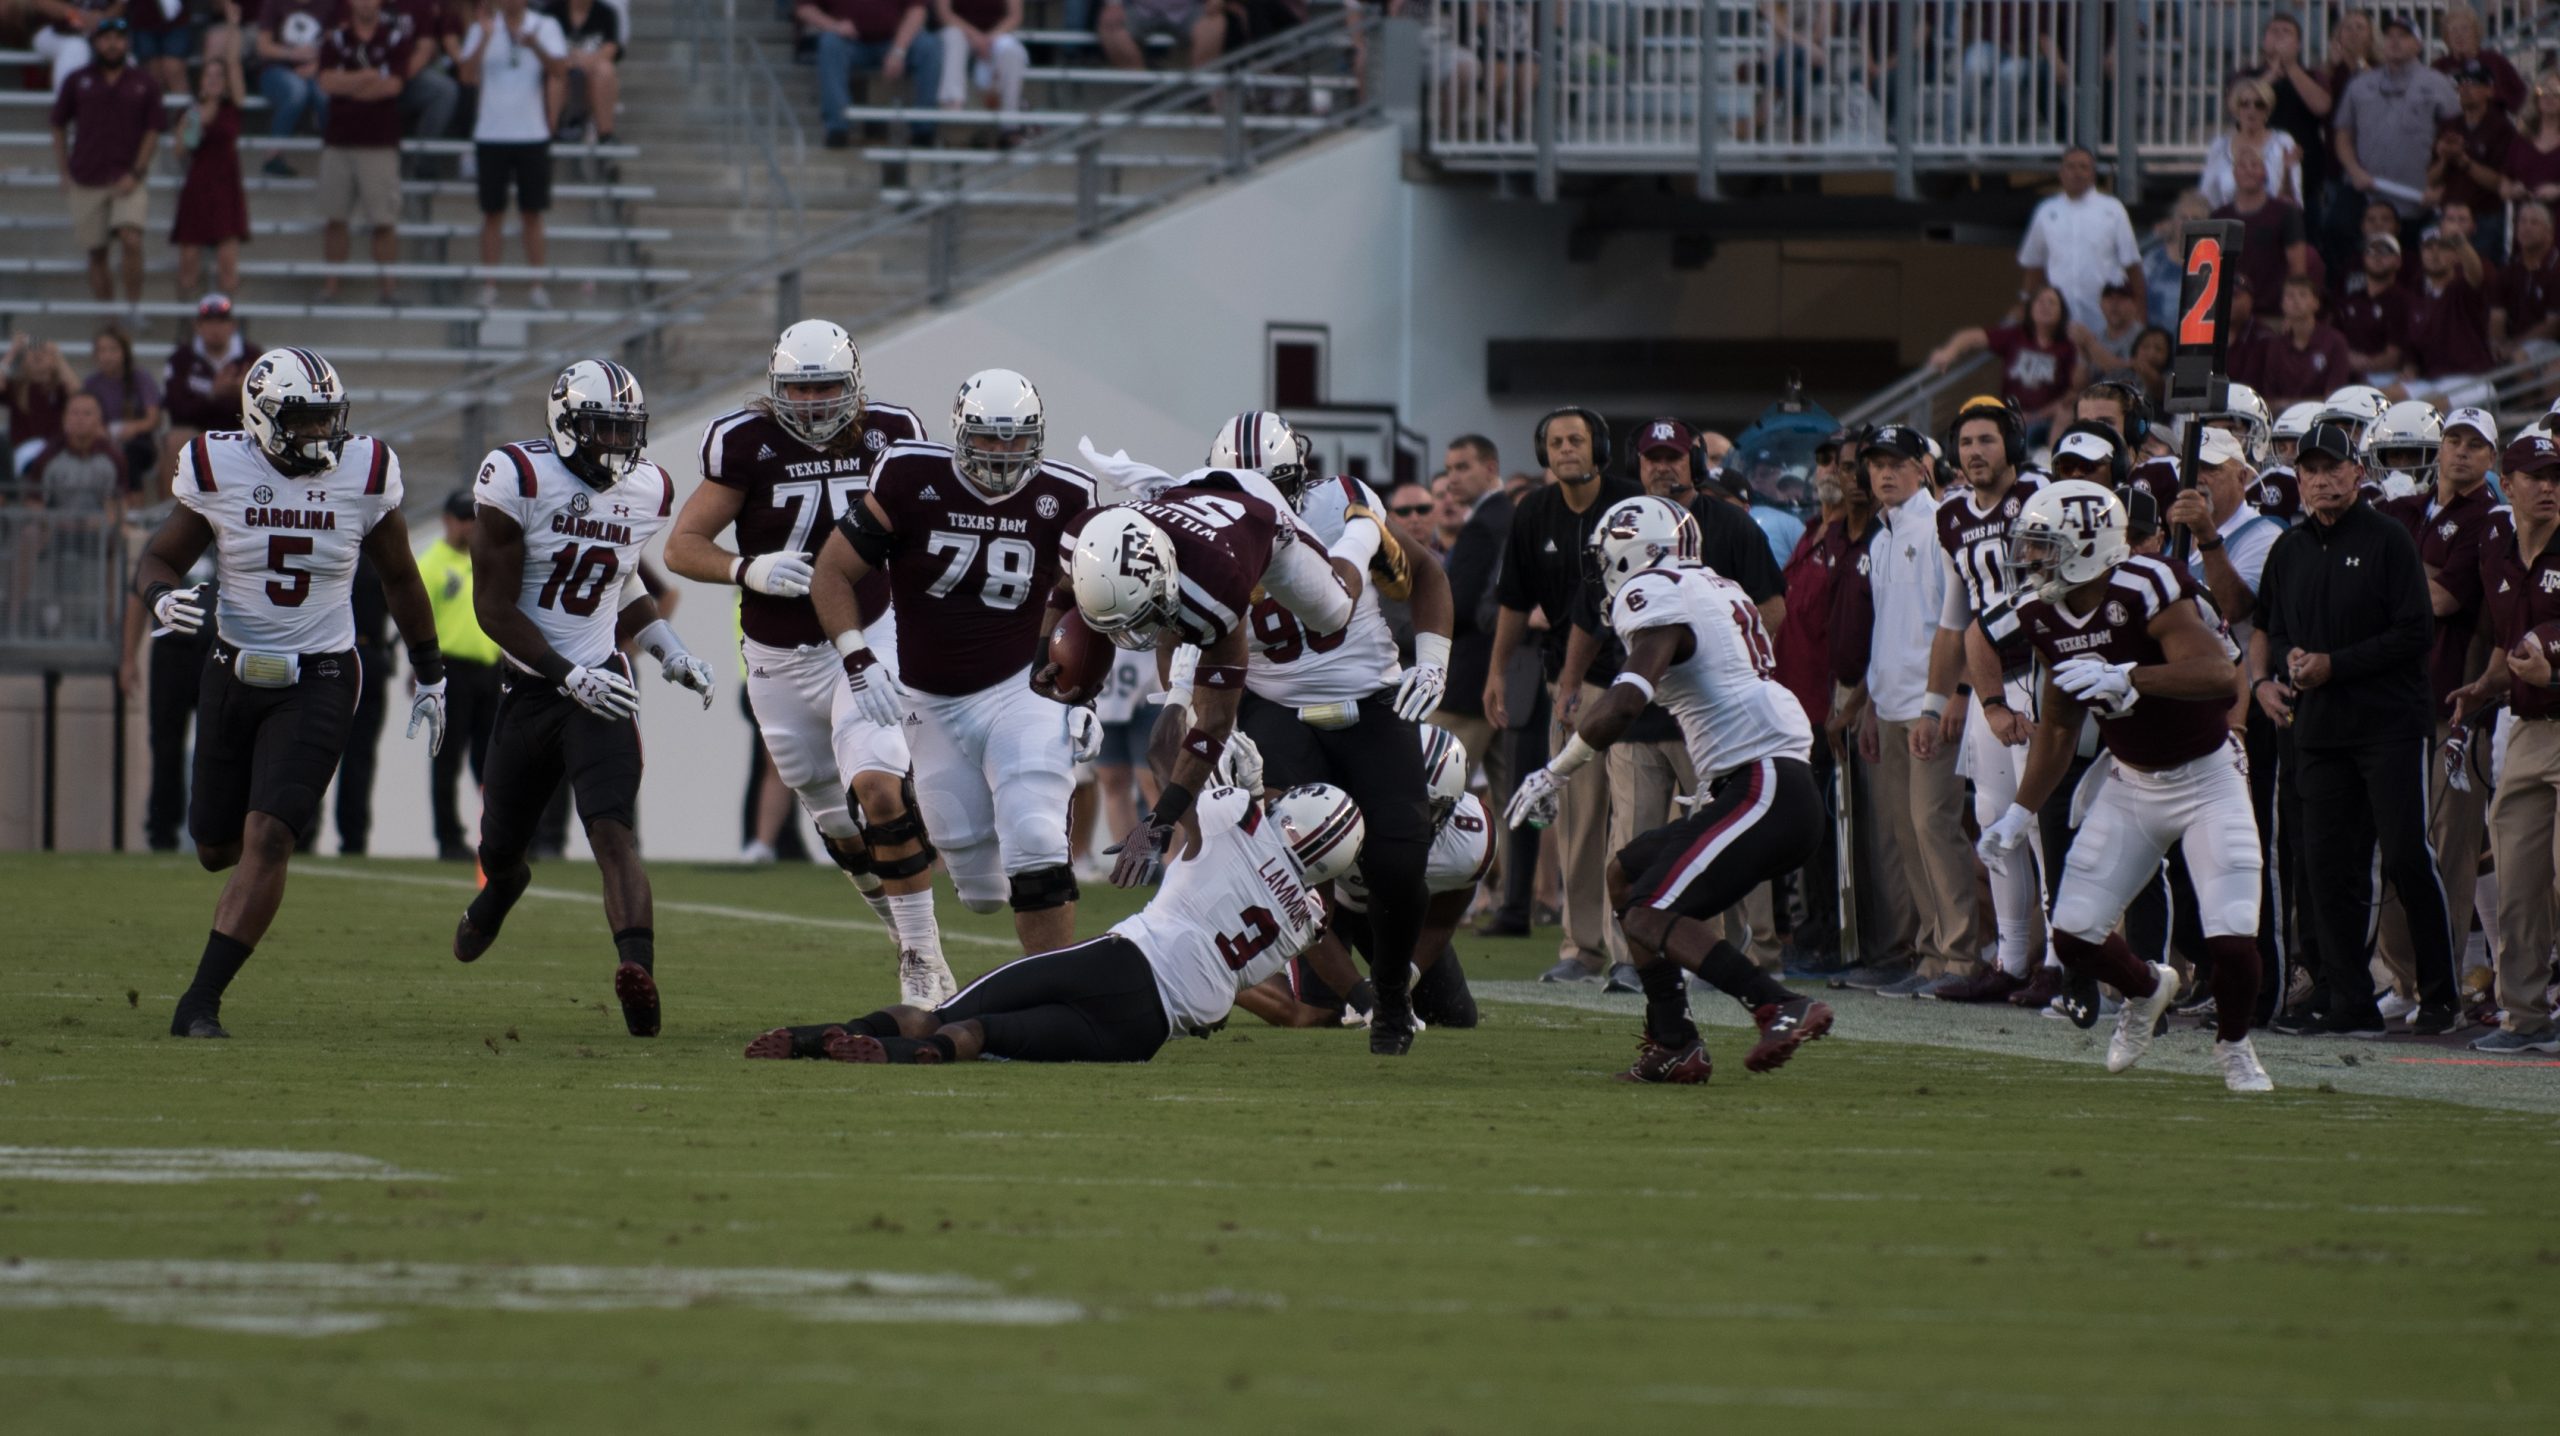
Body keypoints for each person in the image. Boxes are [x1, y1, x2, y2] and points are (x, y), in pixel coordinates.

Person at [129, 347, 447, 1038]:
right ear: (262, 418)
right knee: (216, 844)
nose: (321, 435)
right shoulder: (219, 465)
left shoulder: (364, 470)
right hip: (231, 666)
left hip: (323, 672)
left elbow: (399, 576)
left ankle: (200, 1002)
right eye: (304, 421)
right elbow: (158, 556)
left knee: (269, 836)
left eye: (328, 419)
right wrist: (160, 598)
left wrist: (431, 670)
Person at [1506, 497, 1831, 1084]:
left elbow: (1628, 700)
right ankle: (1675, 1042)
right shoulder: (1714, 584)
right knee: (1626, 877)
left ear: (1632, 549)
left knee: (1650, 911)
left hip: (1762, 781)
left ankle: (1776, 1003)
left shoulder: (1653, 590)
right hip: (1765, 781)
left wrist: (1558, 768)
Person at [668, 321, 948, 1001]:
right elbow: (682, 545)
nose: (816, 401)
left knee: (880, 790)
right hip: (775, 659)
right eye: (801, 387)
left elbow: (923, 526)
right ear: (776, 388)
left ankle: (921, 958)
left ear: (853, 385)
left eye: (827, 386)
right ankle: (908, 937)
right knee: (840, 828)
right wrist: (747, 568)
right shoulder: (746, 443)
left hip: (867, 634)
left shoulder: (891, 432)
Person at [453, 360, 717, 1039]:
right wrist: (565, 672)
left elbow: (620, 581)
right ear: (566, 424)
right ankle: (505, 888)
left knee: (612, 832)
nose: (614, 445)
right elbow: (492, 607)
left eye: (625, 431)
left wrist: (666, 648)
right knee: (501, 847)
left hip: (602, 689)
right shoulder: (517, 477)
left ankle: (639, 973)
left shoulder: (648, 487)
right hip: (533, 686)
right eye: (601, 428)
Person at [1983, 481, 2273, 1093]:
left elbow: (2219, 677)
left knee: (2232, 936)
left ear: (2086, 546)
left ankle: (2236, 1047)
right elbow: (2059, 726)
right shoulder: (2042, 611)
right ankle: (2147, 988)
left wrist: (2130, 677)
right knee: (2073, 936)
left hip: (2208, 775)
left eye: (2043, 546)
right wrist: (2018, 813)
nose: (2030, 560)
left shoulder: (2146, 584)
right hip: (2132, 781)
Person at [747, 782, 1363, 1065]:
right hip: (1145, 1033)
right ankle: (895, 1056)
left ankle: (812, 1038)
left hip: (1120, 960)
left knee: (945, 1012)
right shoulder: (1304, 921)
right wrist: (1366, 996)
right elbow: (1239, 991)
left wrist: (1247, 783)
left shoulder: (1241, 820)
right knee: (982, 1035)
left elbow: (1179, 777)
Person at [811, 371, 1098, 970]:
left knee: (1037, 835)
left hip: (1022, 690)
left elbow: (1092, 600)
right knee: (982, 892)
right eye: (989, 440)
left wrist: (1084, 695)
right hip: (929, 701)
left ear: (1037, 438)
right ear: (962, 434)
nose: (1001, 454)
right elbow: (832, 571)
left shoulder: (1067, 497)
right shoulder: (910, 477)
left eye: (1015, 439)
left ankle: (1058, 994)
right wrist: (857, 656)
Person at [1184, 415, 1450, 1038]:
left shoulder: (1343, 505)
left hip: (1371, 696)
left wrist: (1433, 665)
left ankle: (1389, 992)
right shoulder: (1207, 526)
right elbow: (1182, 629)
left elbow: (1428, 574)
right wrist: (1198, 712)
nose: (1266, 503)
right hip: (1274, 707)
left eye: (1276, 486)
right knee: (1280, 861)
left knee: (1401, 859)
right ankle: (1355, 994)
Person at [2254, 419, 2455, 1037]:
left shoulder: (2389, 539)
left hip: (2388, 725)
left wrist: (2332, 665)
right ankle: (2349, 1000)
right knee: (2322, 865)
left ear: (2356, 475)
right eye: (2309, 471)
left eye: (2332, 469)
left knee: (2403, 856)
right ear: (2298, 480)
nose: (2320, 480)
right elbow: (2274, 625)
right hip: (2317, 730)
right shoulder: (2288, 549)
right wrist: (2273, 674)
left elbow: (2414, 633)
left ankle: (2442, 994)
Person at [1485, 408, 1636, 986]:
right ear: (1543, 453)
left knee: (1631, 821)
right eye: (1556, 442)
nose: (1567, 449)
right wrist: (1497, 671)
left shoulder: (1629, 502)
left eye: (1577, 439)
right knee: (1576, 820)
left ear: (1599, 446)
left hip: (1631, 680)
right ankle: (1581, 948)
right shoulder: (1533, 512)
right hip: (1564, 686)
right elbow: (1514, 600)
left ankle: (1632, 952)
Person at [1841, 423, 1978, 994]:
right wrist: (1871, 705)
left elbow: (1963, 621)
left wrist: (1951, 696)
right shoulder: (1881, 537)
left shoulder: (1943, 526)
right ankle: (1930, 953)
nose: (1885, 474)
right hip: (1893, 702)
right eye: (1876, 464)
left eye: (1897, 462)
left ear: (1924, 465)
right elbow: (1889, 633)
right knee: (1907, 831)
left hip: (1930, 703)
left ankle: (1962, 957)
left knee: (1933, 824)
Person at [2371, 405, 2498, 1015]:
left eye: (2476, 444)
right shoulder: (2409, 510)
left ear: (2492, 459)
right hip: (2396, 702)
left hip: (2454, 704)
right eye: (2454, 439)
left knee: (2445, 854)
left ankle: (2439, 985)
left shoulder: (2487, 520)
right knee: (2395, 847)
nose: (2462, 452)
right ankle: (2404, 979)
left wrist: (2392, 557)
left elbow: (2444, 600)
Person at [1919, 396, 2042, 1001]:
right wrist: (1940, 696)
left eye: (1987, 441)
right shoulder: (1950, 517)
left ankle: (2063, 963)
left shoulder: (2040, 498)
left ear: (2011, 446)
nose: (1975, 453)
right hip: (1990, 680)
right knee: (1994, 824)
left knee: (2041, 822)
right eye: (1966, 443)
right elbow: (1954, 614)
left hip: (2040, 673)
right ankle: (2014, 962)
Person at [1240, 726, 1484, 1032]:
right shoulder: (1334, 810)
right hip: (1322, 905)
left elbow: (1442, 920)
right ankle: (1218, 975)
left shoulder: (1471, 843)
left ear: (1449, 808)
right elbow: (1311, 918)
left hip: (1387, 910)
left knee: (1452, 1013)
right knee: (1313, 1014)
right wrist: (1365, 999)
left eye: (1422, 805)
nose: (1403, 812)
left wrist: (1405, 976)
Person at [2452, 433, 2560, 1054]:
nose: (2548, 487)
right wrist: (2486, 685)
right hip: (2523, 728)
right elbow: (2505, 637)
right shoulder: (2498, 549)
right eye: (2536, 476)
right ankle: (2524, 1016)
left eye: (2557, 477)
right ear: (2510, 486)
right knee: (2517, 880)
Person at [460, 0, 568, 309]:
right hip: (491, 133)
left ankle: (537, 284)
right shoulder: (482, 27)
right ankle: (490, 283)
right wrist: (483, 36)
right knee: (491, 213)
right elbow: (467, 76)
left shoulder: (544, 26)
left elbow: (560, 70)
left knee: (531, 213)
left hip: (531, 133)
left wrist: (536, 47)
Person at [49, 18, 162, 312]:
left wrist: (137, 172)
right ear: (96, 42)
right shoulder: (77, 80)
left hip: (127, 176)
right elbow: (58, 124)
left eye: (119, 38)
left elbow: (153, 129)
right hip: (87, 175)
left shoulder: (144, 82)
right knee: (96, 253)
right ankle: (109, 318)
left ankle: (133, 309)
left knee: (131, 238)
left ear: (127, 43)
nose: (113, 44)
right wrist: (63, 171)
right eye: (106, 38)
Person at [316, 0, 418, 306]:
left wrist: (347, 85)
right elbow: (325, 82)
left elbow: (393, 87)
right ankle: (332, 286)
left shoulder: (395, 39)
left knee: (384, 221)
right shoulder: (336, 40)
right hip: (340, 141)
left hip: (379, 143)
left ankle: (388, 287)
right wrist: (367, 77)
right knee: (335, 217)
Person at [418, 486, 501, 861]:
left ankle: (499, 834)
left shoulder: (488, 559)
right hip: (452, 669)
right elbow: (417, 620)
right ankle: (448, 838)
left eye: (475, 520)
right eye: (464, 519)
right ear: (447, 521)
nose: (470, 527)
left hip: (490, 668)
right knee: (447, 758)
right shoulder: (431, 563)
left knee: (493, 762)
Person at [2331, 14, 2458, 252]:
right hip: (2367, 195)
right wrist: (2354, 171)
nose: (2395, 41)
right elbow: (2343, 134)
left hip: (2415, 201)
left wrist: (2441, 188)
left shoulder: (2439, 85)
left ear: (2418, 44)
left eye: (2403, 36)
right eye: (2389, 36)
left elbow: (2456, 139)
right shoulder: (2360, 84)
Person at [1927, 285, 2083, 444]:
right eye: (2040, 301)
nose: (2045, 306)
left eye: (2052, 302)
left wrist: (2036, 416)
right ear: (2030, 308)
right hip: (2009, 416)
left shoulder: (2068, 346)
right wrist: (1949, 352)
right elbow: (1972, 336)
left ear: (2061, 311)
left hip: (2045, 420)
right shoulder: (2016, 335)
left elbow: (2073, 392)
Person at [2015, 146, 2142, 336]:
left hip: (2106, 319)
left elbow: (2132, 266)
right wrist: (2026, 307)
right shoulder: (2046, 211)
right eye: (2071, 167)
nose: (2077, 173)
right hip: (2061, 320)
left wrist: (2140, 315)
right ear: (2061, 173)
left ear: (2093, 173)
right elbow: (2034, 266)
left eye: (2084, 167)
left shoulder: (2113, 210)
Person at [170, 28, 249, 303]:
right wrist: (195, 121)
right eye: (209, 75)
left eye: (219, 76)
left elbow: (235, 64)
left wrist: (232, 25)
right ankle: (188, 329)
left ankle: (229, 323)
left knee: (228, 262)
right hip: (199, 186)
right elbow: (180, 149)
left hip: (226, 186)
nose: (214, 80)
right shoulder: (191, 113)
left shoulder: (232, 108)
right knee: (189, 261)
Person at [797, 0, 939, 151]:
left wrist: (899, 50)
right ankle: (837, 127)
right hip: (849, 43)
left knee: (929, 46)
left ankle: (924, 129)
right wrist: (833, 25)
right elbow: (804, 8)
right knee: (829, 43)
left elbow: (918, 10)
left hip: (894, 41)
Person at [2234, 10, 2335, 209]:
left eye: (2286, 31)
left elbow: (2322, 106)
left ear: (2298, 44)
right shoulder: (2248, 74)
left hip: (2306, 177)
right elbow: (2236, 103)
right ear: (2264, 41)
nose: (2280, 34)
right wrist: (2271, 75)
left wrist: (2290, 67)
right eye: (2274, 31)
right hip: (2252, 173)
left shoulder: (2312, 75)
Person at [161, 295, 257, 479]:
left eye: (222, 321)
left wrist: (243, 395)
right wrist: (212, 395)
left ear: (232, 325)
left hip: (241, 431)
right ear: (197, 326)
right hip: (197, 432)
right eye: (209, 322)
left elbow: (268, 406)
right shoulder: (181, 359)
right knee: (176, 440)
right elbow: (175, 408)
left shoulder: (251, 357)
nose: (215, 329)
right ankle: (174, 505)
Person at [2433, 59, 2516, 262]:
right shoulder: (2448, 124)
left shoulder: (2502, 128)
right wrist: (2444, 159)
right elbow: (2430, 179)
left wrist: (2464, 161)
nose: (2465, 88)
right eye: (2461, 83)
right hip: (2450, 216)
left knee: (2482, 278)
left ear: (2489, 90)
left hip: (2485, 217)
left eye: (2474, 83)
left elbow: (2501, 183)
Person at [2213, 145, 2311, 316]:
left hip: (2272, 314)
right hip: (2229, 315)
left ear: (2265, 172)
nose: (2248, 171)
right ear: (2234, 173)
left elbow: (2297, 267)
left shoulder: (2285, 213)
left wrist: (2292, 310)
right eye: (2242, 166)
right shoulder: (2218, 217)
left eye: (2254, 165)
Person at [2239, 274, 2356, 409]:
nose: (2296, 300)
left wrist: (2292, 405)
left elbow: (2335, 397)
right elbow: (2269, 398)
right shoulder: (2275, 345)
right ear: (2282, 304)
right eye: (2289, 295)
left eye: (2303, 295)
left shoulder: (2335, 342)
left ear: (2316, 303)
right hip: (2282, 419)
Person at [2201, 74, 2302, 207]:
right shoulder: (2219, 146)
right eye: (2245, 104)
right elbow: (2206, 196)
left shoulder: (2283, 142)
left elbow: (2294, 197)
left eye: (2259, 105)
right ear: (2236, 109)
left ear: (2267, 111)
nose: (2251, 110)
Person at [253, 0, 332, 167]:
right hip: (276, 69)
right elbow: (263, 46)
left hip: (317, 69)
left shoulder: (329, 4)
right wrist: (292, 55)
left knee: (325, 93)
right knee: (296, 90)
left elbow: (335, 42)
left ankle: (334, 154)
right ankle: (273, 155)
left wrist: (318, 65)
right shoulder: (273, 4)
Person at [83, 324, 161, 484]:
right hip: (102, 441)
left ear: (124, 353)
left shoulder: (140, 378)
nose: (107, 356)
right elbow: (84, 415)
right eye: (102, 351)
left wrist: (134, 427)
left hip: (138, 442)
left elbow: (153, 418)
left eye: (113, 350)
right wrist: (101, 432)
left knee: (130, 456)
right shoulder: (91, 383)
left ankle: (134, 507)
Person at [933, 0, 1026, 131]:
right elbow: (944, 13)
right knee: (954, 37)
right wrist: (976, 37)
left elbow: (1015, 16)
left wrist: (990, 39)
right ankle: (952, 102)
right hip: (959, 30)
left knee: (1013, 52)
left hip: (996, 34)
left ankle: (1010, 122)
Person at [543, 0, 621, 142]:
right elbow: (545, 49)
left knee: (605, 70)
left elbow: (611, 48)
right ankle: (551, 131)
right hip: (561, 74)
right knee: (556, 73)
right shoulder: (552, 13)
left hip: (592, 74)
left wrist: (585, 61)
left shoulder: (606, 13)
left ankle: (605, 132)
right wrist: (567, 62)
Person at [2336, 233, 2413, 375]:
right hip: (2347, 374)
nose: (2377, 257)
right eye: (2370, 252)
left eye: (2384, 252)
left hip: (2387, 376)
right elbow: (2334, 342)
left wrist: (2366, 364)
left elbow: (2394, 356)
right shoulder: (2351, 300)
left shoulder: (2404, 301)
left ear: (2398, 261)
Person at [2493, 200, 2560, 362]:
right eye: (2522, 221)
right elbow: (2496, 316)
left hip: (2550, 344)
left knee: (2521, 357)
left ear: (2549, 232)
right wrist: (2496, 343)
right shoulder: (2509, 268)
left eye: (2534, 222)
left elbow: (2552, 326)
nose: (2526, 227)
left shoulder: (2556, 267)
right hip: (2516, 343)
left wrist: (2514, 345)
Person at [2431, 3, 2525, 114]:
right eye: (2453, 30)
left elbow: (2521, 97)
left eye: (2464, 29)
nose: (2459, 35)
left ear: (2476, 32)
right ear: (2446, 38)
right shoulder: (2439, 67)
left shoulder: (2495, 61)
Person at [1097, 0, 1224, 73]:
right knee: (1110, 24)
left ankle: (1201, 92)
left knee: (1214, 23)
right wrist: (1113, 3)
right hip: (1137, 8)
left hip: (1188, 9)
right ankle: (1142, 90)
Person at [2506, 72, 2560, 210]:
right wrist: (2514, 190)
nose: (2549, 97)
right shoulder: (2522, 140)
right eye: (2543, 91)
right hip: (2527, 223)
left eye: (2556, 92)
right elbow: (2504, 184)